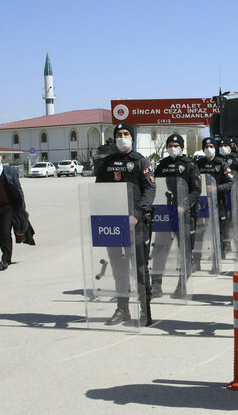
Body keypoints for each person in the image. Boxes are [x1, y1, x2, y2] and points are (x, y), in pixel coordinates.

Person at [95, 122, 156, 326]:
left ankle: (145, 310)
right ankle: (122, 309)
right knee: (118, 269)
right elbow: (99, 192)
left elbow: (150, 190)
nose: (122, 137)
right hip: (113, 223)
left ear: (132, 137)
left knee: (139, 268)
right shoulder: (107, 163)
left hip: (135, 223)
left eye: (126, 134)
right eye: (119, 134)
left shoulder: (140, 161)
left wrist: (137, 214)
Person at [150, 133, 202, 298]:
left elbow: (196, 189)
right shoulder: (162, 165)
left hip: (185, 215)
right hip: (165, 213)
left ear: (181, 147)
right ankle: (156, 285)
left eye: (176, 145)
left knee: (184, 251)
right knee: (160, 249)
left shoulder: (189, 165)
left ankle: (182, 286)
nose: (173, 148)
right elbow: (154, 187)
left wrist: (184, 205)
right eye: (170, 145)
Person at [196, 137, 238, 255]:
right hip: (202, 203)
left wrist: (216, 188)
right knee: (200, 232)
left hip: (218, 202)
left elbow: (231, 183)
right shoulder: (198, 164)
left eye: (211, 147)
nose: (208, 149)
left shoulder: (221, 164)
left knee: (219, 230)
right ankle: (197, 260)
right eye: (206, 147)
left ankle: (219, 255)